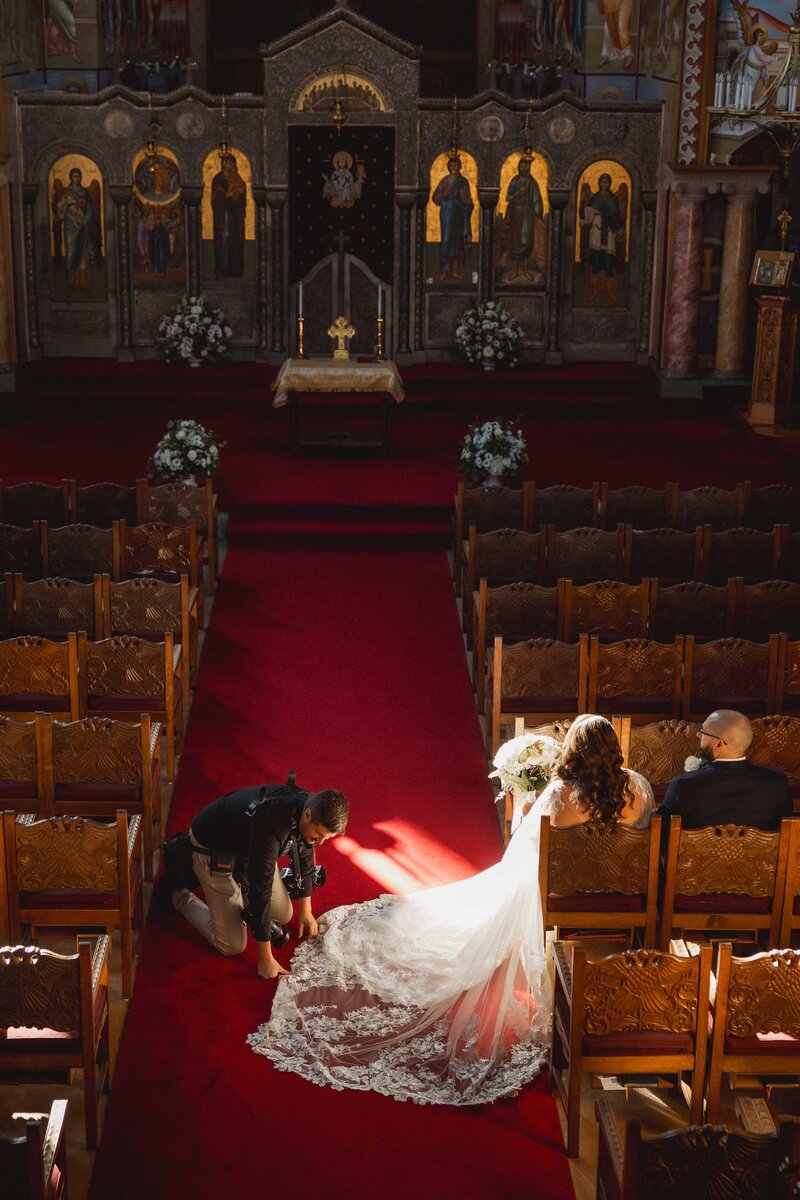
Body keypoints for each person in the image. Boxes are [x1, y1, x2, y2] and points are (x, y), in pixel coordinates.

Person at [248, 715, 654, 1104]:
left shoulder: (562, 796)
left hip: (557, 893)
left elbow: (525, 845)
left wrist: (527, 804)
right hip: (615, 891)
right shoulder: (635, 791)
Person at [166, 780, 349, 980]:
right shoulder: (272, 826)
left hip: (249, 851)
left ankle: (234, 888)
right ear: (307, 815)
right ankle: (178, 894)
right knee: (232, 944)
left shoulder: (309, 805)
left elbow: (305, 854)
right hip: (214, 850)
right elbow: (260, 890)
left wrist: (306, 911)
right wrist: (266, 958)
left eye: (325, 839)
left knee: (284, 914)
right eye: (318, 836)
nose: (320, 843)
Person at [661, 709, 792, 830]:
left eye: (703, 732)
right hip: (761, 855)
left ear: (718, 744)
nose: (698, 735)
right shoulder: (778, 782)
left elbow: (662, 833)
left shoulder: (683, 785)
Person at [501, 152, 544, 284]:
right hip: (515, 213)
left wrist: (537, 212)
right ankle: (515, 271)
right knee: (515, 241)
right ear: (518, 168)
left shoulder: (532, 183)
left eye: (526, 166)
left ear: (529, 168)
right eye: (521, 166)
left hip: (527, 214)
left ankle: (524, 271)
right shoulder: (515, 181)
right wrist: (516, 194)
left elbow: (537, 198)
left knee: (526, 240)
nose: (523, 168)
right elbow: (507, 198)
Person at [432, 154, 474, 282]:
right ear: (448, 166)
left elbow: (468, 200)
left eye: (456, 164)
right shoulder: (445, 180)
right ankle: (444, 270)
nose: (454, 166)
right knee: (446, 239)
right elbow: (435, 197)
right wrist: (445, 194)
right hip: (447, 212)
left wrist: (466, 201)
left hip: (459, 213)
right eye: (451, 164)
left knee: (457, 241)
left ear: (461, 166)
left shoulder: (463, 181)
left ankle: (455, 270)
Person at [211, 152, 247, 278]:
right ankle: (222, 272)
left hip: (236, 219)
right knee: (224, 244)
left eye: (232, 164)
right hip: (223, 218)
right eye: (227, 164)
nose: (230, 167)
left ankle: (235, 273)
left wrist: (237, 193)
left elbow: (242, 199)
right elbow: (216, 198)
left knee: (235, 245)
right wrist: (228, 195)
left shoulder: (238, 179)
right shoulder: (218, 179)